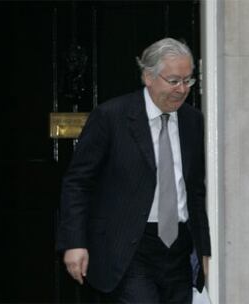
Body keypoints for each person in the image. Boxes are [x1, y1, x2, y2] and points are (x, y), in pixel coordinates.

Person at [57, 37, 211, 303]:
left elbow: (195, 190)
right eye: (173, 80)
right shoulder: (111, 116)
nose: (182, 89)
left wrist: (204, 249)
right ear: (147, 77)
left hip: (179, 249)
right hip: (130, 248)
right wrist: (74, 242)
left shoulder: (192, 121)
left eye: (188, 80)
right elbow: (78, 183)